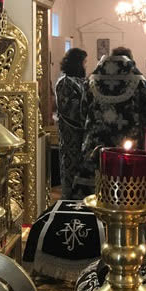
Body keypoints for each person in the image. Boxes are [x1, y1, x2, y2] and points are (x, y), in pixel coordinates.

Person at [73, 47, 146, 199]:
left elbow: (82, 112)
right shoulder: (139, 80)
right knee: (127, 183)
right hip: (128, 144)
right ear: (130, 59)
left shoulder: (92, 79)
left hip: (96, 144)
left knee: (94, 187)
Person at [55, 48, 87, 198]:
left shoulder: (81, 81)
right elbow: (70, 110)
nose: (85, 65)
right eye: (84, 62)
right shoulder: (65, 82)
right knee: (70, 169)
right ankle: (68, 200)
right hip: (71, 135)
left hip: (83, 134)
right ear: (77, 63)